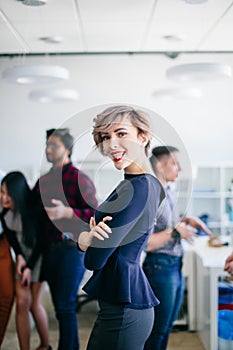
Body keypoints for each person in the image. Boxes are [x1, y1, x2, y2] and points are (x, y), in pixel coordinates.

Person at [77, 105, 165, 350]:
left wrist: (85, 241)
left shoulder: (137, 188)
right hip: (122, 303)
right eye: (106, 137)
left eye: (121, 133)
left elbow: (94, 260)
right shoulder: (141, 185)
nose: (111, 144)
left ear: (143, 136)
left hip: (126, 309)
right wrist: (89, 240)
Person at [33, 128, 98, 350]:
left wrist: (68, 213)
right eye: (47, 144)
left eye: (54, 145)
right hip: (49, 251)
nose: (48, 149)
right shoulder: (43, 181)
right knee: (60, 308)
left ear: (67, 149)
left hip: (72, 249)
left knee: (65, 305)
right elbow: (31, 215)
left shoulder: (79, 178)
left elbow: (95, 215)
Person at [143, 145, 212, 350]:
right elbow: (145, 242)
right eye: (174, 163)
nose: (179, 168)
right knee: (157, 330)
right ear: (160, 166)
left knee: (165, 328)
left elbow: (168, 224)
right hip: (159, 267)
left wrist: (187, 220)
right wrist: (174, 232)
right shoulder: (152, 195)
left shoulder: (168, 192)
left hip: (173, 265)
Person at [0, 171, 51, 350]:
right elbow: (12, 238)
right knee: (22, 303)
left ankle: (46, 345)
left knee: (33, 304)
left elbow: (42, 243)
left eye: (7, 193)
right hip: (23, 257)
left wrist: (29, 266)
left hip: (39, 257)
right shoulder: (5, 212)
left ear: (17, 192)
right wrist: (20, 256)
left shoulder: (34, 209)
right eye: (1, 192)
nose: (3, 197)